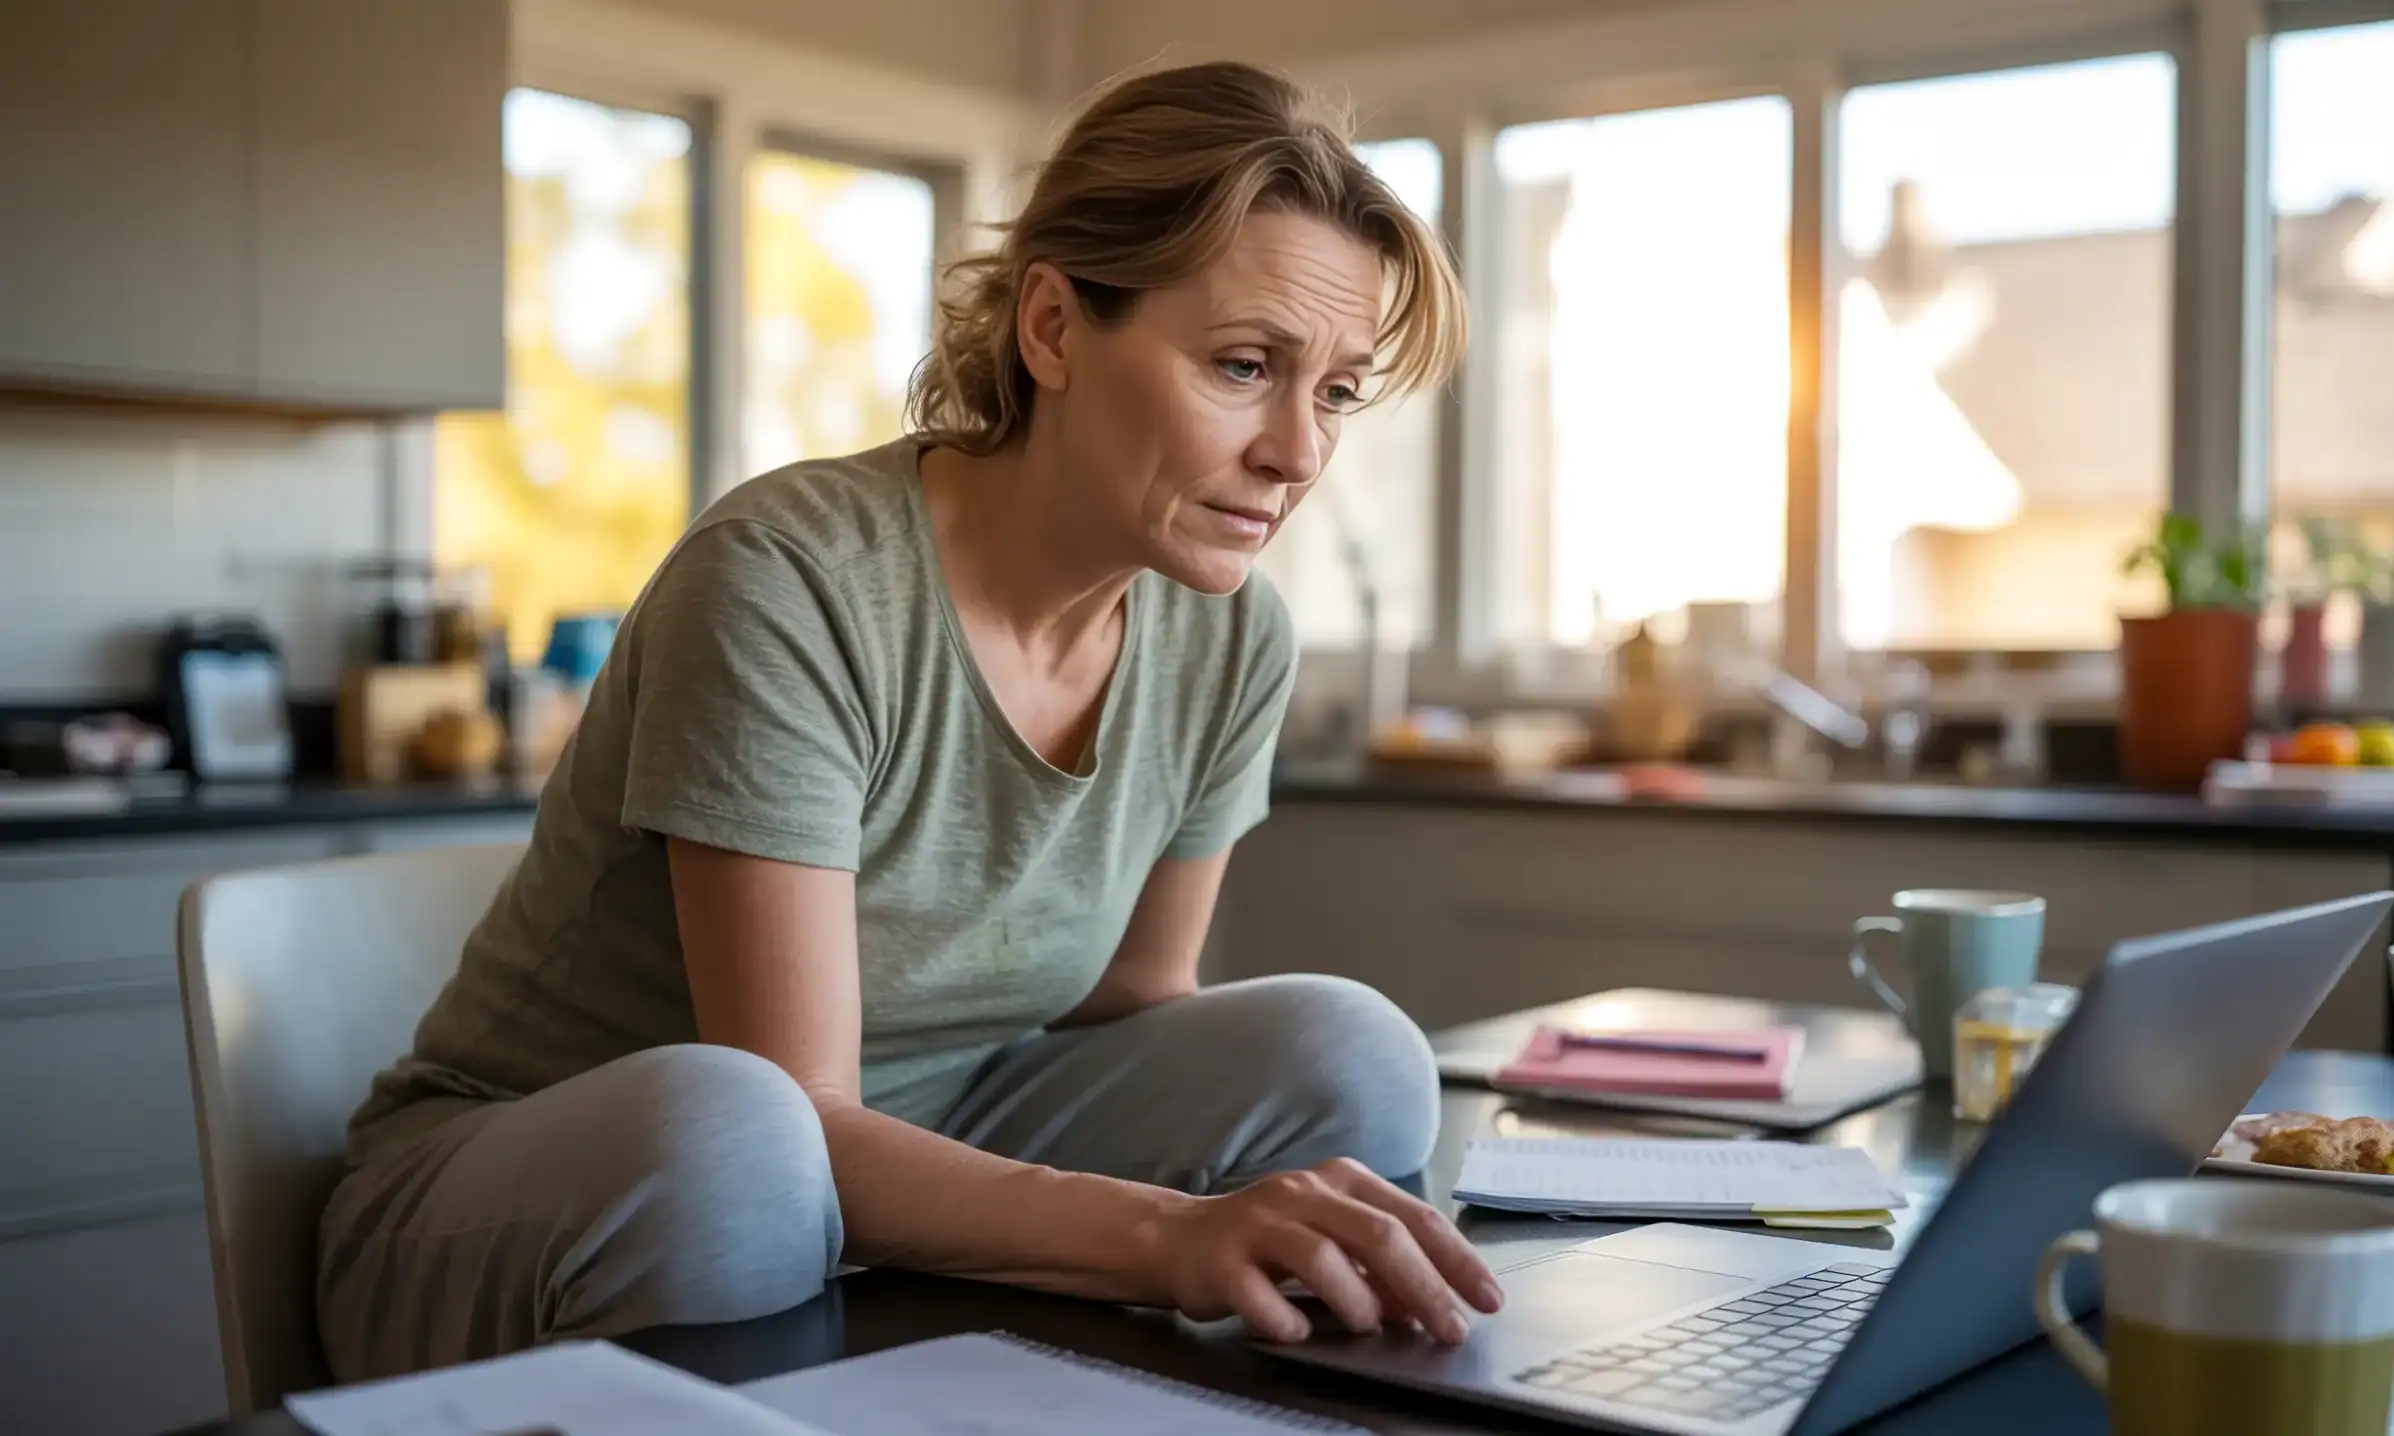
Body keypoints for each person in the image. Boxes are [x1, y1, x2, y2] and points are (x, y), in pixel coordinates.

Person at [315, 60, 1503, 1380]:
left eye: (1334, 390)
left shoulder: (1230, 637)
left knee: (1351, 1056)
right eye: (1242, 366)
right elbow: (799, 1113)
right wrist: (1168, 1234)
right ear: (1050, 329)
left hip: (914, 1154)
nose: (1299, 453)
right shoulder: (790, 582)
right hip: (550, 1202)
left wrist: (1225, 1217)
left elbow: (1131, 1007)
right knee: (737, 1135)